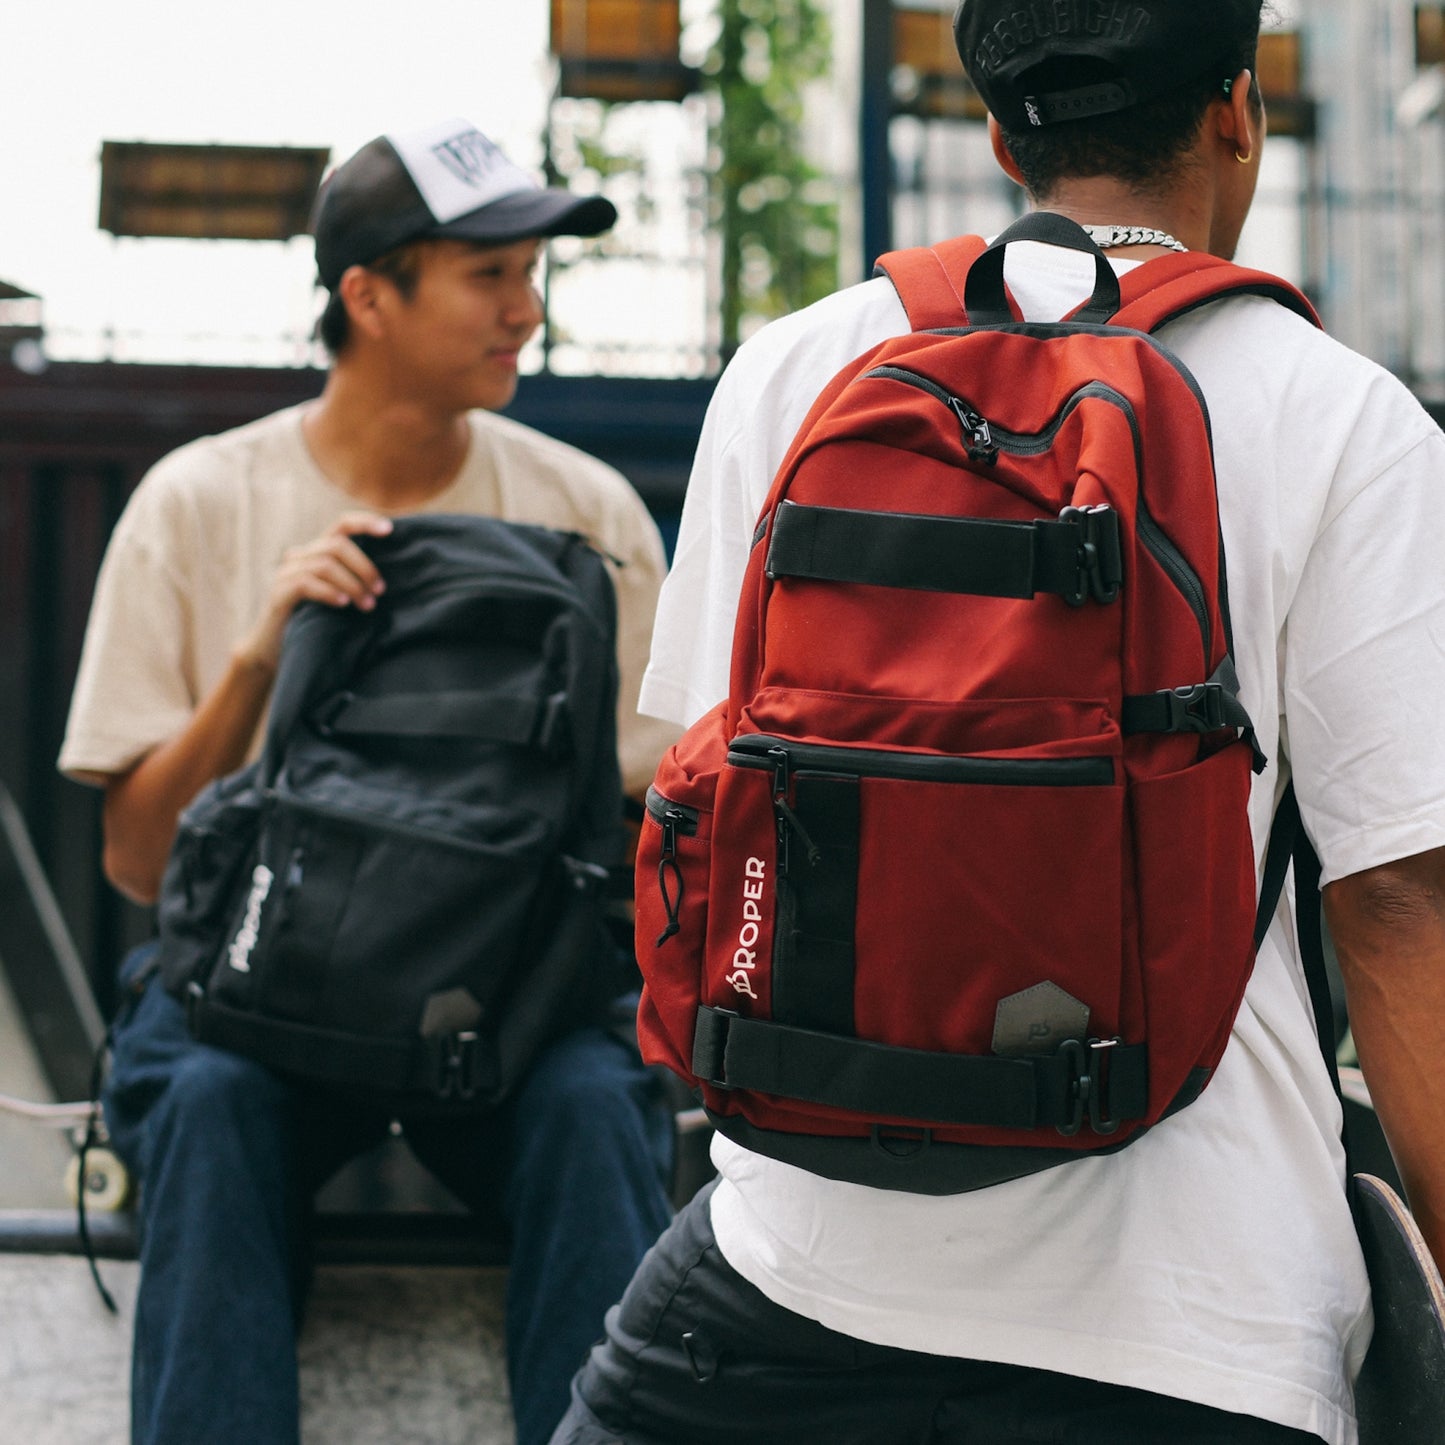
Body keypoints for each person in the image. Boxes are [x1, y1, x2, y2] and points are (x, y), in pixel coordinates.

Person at [551, 5, 1445, 1443]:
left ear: (997, 134)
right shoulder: (1347, 420)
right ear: (1234, 112)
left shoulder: (800, 365)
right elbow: (1400, 905)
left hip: (793, 1279)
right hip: (1192, 1332)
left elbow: (707, 786)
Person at [58, 117, 679, 1445]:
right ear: (368, 296)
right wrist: (254, 663)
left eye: (532, 273)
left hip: (508, 996)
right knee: (213, 1103)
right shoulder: (199, 500)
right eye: (489, 276)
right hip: (257, 1000)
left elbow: (652, 820)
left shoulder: (589, 516)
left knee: (588, 1104)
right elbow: (133, 863)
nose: (528, 309)